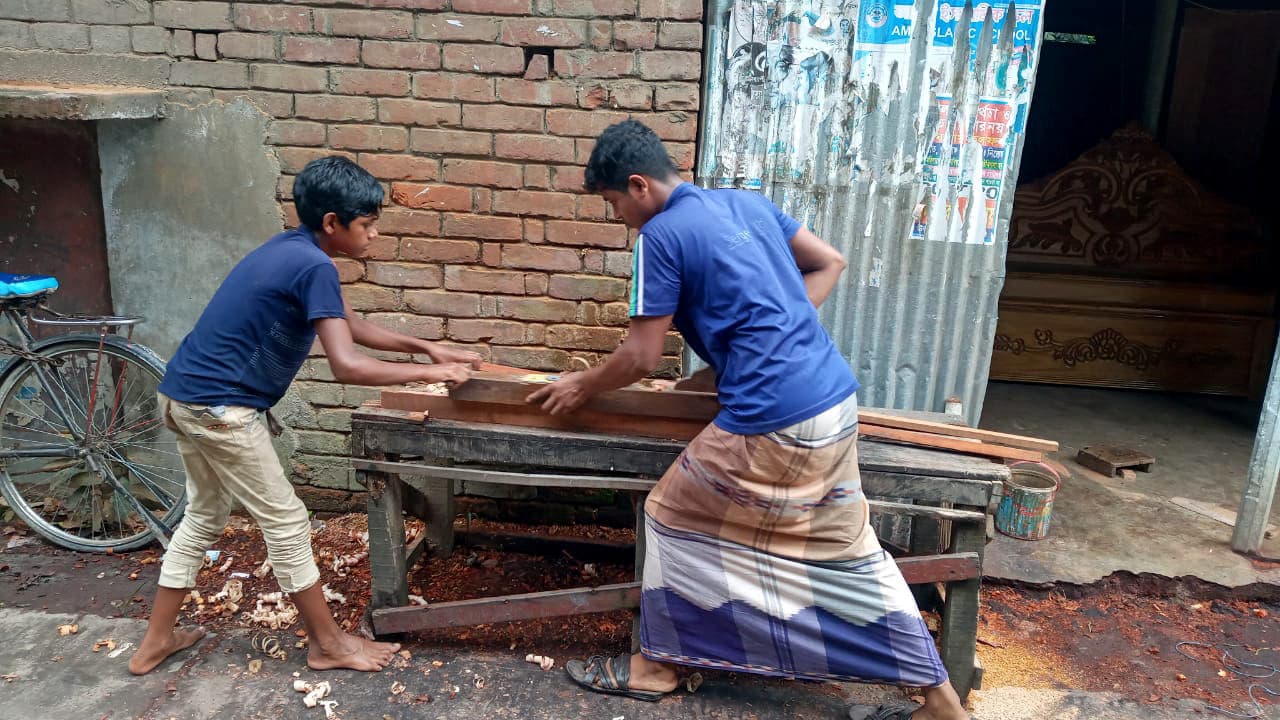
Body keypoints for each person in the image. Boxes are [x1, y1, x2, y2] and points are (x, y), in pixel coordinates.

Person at [527, 121, 969, 720]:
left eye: (613, 204)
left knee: (669, 514)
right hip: (834, 405)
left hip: (774, 419)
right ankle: (942, 701)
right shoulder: (747, 205)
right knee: (850, 549)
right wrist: (762, 344)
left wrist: (581, 383)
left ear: (637, 186)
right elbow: (829, 263)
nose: (619, 218)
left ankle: (658, 666)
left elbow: (639, 356)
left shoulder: (660, 235)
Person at [129, 156, 480, 675]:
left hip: (184, 396)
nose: (374, 235)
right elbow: (346, 364)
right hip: (222, 408)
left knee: (204, 515)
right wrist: (424, 377)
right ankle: (329, 645)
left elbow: (350, 325)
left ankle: (155, 642)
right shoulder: (314, 264)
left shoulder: (292, 250)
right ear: (333, 223)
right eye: (367, 224)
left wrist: (425, 348)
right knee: (288, 522)